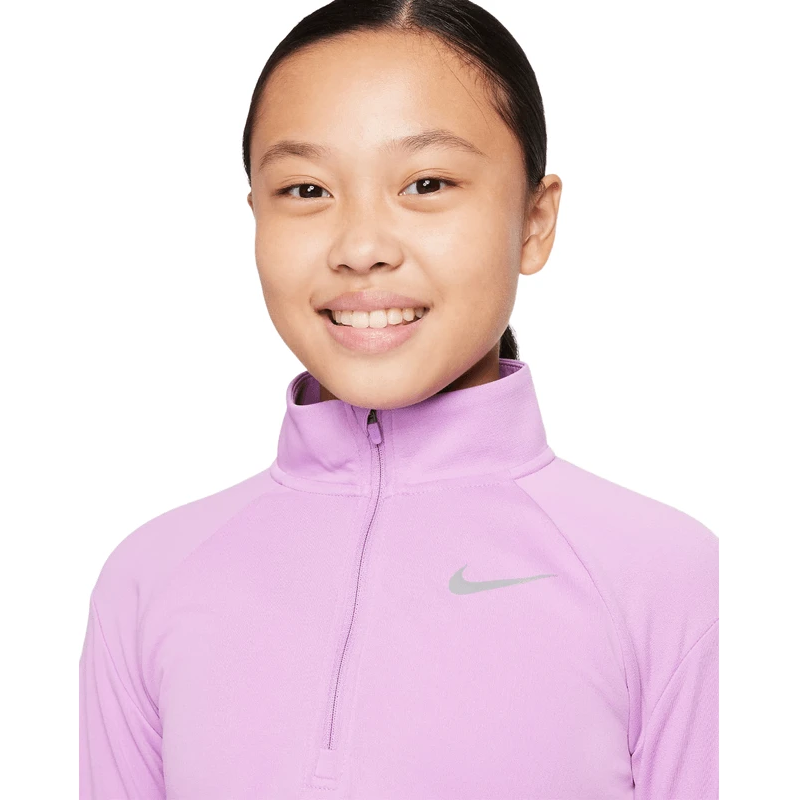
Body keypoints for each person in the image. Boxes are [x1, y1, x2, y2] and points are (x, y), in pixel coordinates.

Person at [79, 1, 719, 798]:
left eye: (427, 183)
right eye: (306, 189)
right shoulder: (151, 578)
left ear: (534, 220)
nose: (361, 249)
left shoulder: (673, 581)